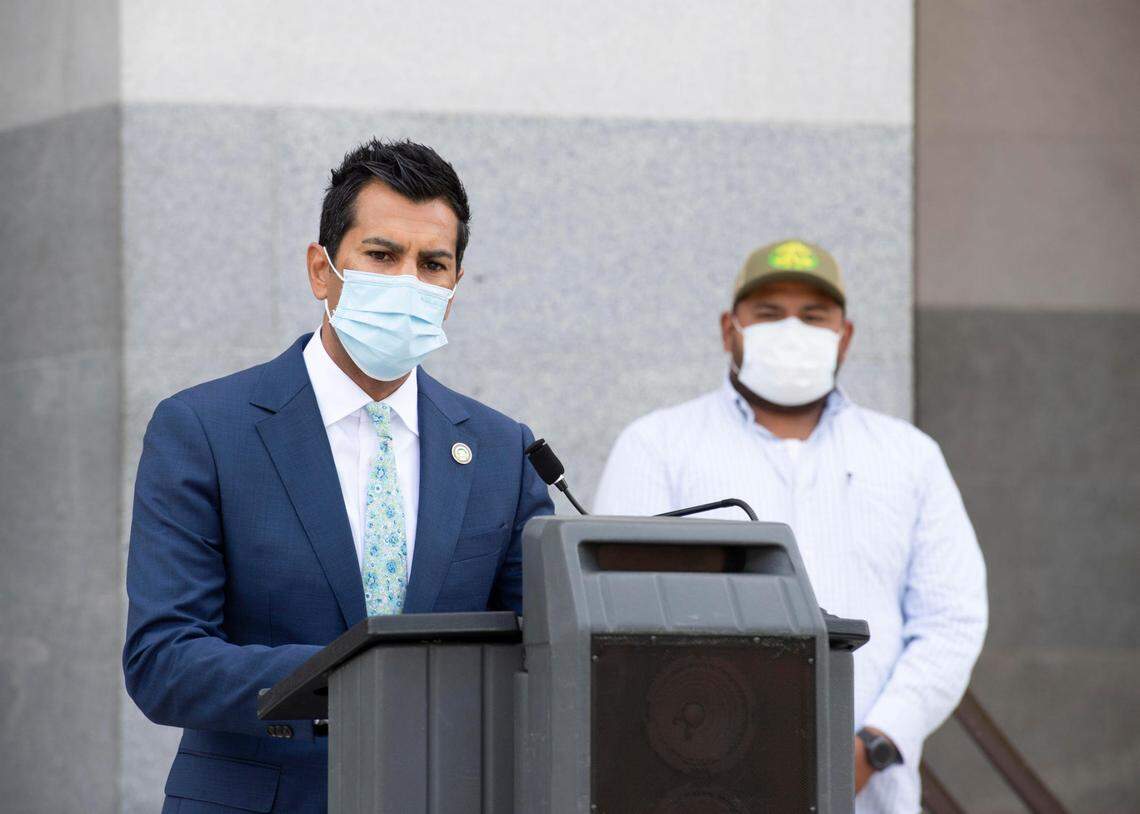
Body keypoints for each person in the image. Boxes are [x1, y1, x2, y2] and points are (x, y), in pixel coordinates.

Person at [123, 139, 553, 813]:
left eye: (432, 264)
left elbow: (544, 650)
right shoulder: (204, 430)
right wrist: (357, 674)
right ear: (321, 271)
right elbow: (164, 662)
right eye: (382, 256)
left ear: (454, 288)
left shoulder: (504, 452)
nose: (408, 281)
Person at [594, 239, 987, 812]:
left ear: (844, 336)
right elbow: (616, 620)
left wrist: (874, 747)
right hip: (691, 784)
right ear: (730, 329)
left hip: (869, 794)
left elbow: (952, 621)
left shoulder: (910, 457)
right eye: (770, 314)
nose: (792, 329)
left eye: (813, 315)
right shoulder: (657, 446)